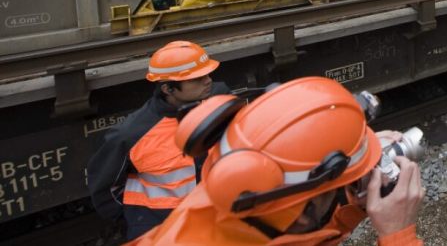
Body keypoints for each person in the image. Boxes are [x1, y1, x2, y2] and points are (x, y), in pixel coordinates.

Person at [126, 77, 425, 245]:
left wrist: (350, 204)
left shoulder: (223, 205)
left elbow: (295, 231)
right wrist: (397, 234)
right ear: (305, 213)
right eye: (335, 188)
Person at [87, 40, 225, 239]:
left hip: (209, 219)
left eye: (208, 74)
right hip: (161, 230)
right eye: (197, 79)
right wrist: (135, 220)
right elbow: (104, 188)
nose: (208, 81)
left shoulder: (217, 99)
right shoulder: (132, 134)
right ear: (168, 89)